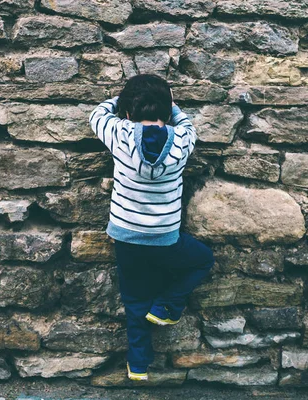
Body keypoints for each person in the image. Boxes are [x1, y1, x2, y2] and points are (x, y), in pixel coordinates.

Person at [88, 74, 215, 381]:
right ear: (166, 109)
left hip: (126, 236)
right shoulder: (182, 139)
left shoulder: (118, 131)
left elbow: (96, 115)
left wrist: (121, 101)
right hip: (165, 239)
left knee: (133, 301)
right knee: (202, 260)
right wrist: (172, 108)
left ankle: (138, 367)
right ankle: (167, 306)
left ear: (128, 112)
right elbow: (186, 123)